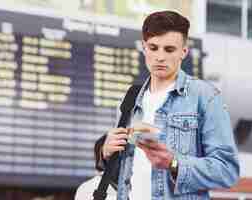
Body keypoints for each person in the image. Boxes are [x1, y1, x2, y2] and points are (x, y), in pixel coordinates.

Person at [97, 10, 240, 200]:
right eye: (153, 47)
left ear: (183, 52)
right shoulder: (130, 99)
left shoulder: (205, 96)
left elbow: (227, 171)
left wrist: (174, 163)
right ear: (144, 48)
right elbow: (128, 174)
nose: (160, 57)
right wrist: (107, 154)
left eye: (169, 49)